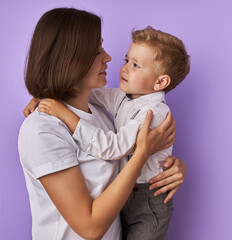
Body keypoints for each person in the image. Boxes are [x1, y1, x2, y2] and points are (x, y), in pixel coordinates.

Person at [19, 8, 187, 240]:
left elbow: (121, 162)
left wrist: (168, 167)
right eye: (97, 50)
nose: (108, 57)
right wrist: (143, 153)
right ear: (69, 59)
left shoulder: (99, 113)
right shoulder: (43, 129)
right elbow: (90, 228)